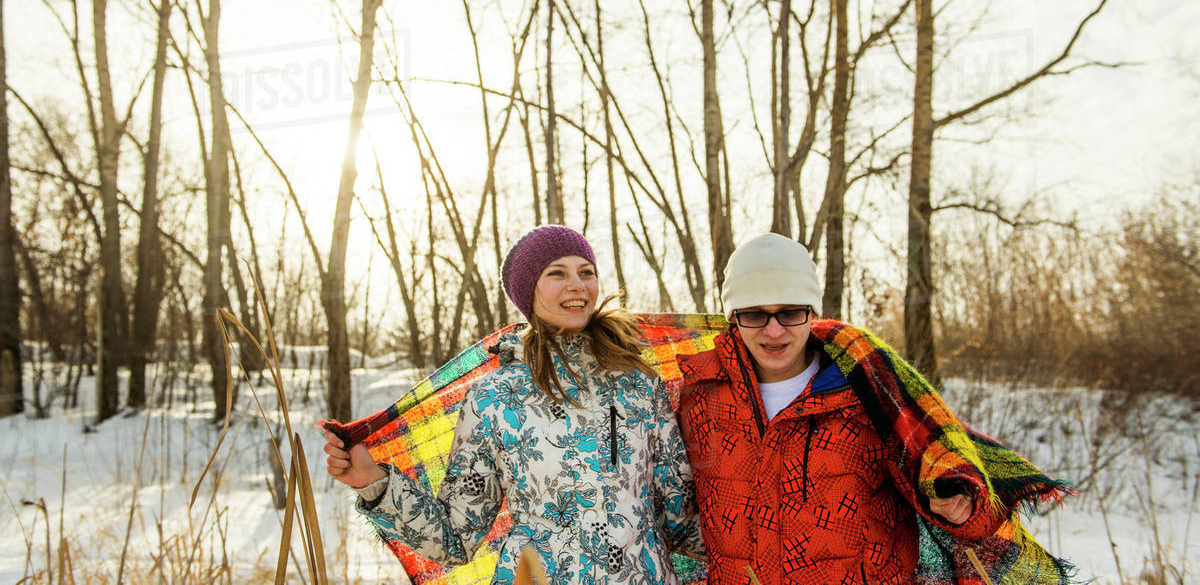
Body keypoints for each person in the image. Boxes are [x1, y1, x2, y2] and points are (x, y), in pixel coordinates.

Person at [677, 232, 1072, 585]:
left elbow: (953, 475)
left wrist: (963, 508)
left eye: (790, 312)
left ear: (812, 312)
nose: (774, 329)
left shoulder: (872, 391)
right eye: (755, 314)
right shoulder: (696, 396)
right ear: (732, 318)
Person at [324, 225, 704, 585]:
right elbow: (457, 537)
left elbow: (679, 520)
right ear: (528, 291)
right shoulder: (493, 398)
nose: (577, 284)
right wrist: (374, 485)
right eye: (557, 273)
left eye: (586, 271)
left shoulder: (638, 382)